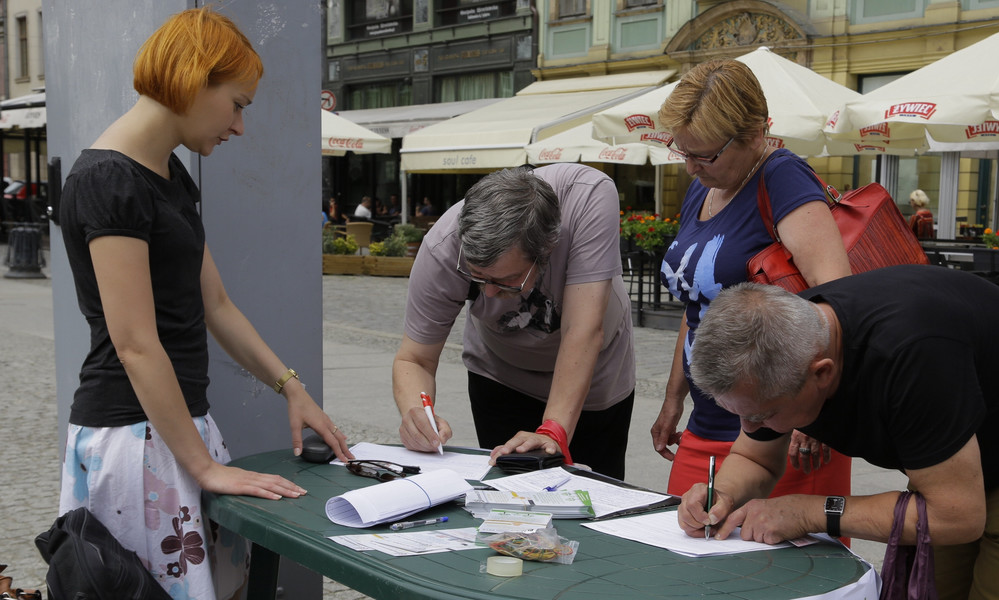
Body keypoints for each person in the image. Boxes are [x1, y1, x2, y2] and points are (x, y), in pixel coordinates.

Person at [55, 8, 353, 599]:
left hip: (174, 434)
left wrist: (292, 387)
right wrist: (205, 468)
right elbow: (136, 345)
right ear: (195, 79)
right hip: (135, 438)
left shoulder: (166, 174)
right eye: (238, 103)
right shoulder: (109, 182)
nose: (240, 126)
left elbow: (214, 303)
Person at [681, 268, 999, 599]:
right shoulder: (784, 341)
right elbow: (755, 457)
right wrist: (723, 493)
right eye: (742, 415)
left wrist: (809, 511)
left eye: (763, 414)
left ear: (822, 373)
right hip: (960, 437)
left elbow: (956, 517)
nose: (751, 428)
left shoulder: (909, 358)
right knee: (931, 588)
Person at [652, 58, 853, 502]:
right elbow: (699, 301)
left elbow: (840, 296)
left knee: (786, 563)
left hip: (783, 427)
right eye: (683, 151)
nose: (690, 166)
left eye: (704, 154)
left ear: (754, 134)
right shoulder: (702, 187)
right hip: (708, 418)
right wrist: (673, 398)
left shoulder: (782, 176)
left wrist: (814, 416)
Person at [392, 164, 636, 479]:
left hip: (593, 379)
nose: (490, 293)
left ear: (546, 249)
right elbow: (414, 358)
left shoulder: (588, 194)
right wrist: (417, 414)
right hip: (500, 374)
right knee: (507, 495)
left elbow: (582, 332)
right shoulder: (442, 247)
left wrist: (553, 430)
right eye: (477, 278)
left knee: (591, 499)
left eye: (506, 281)